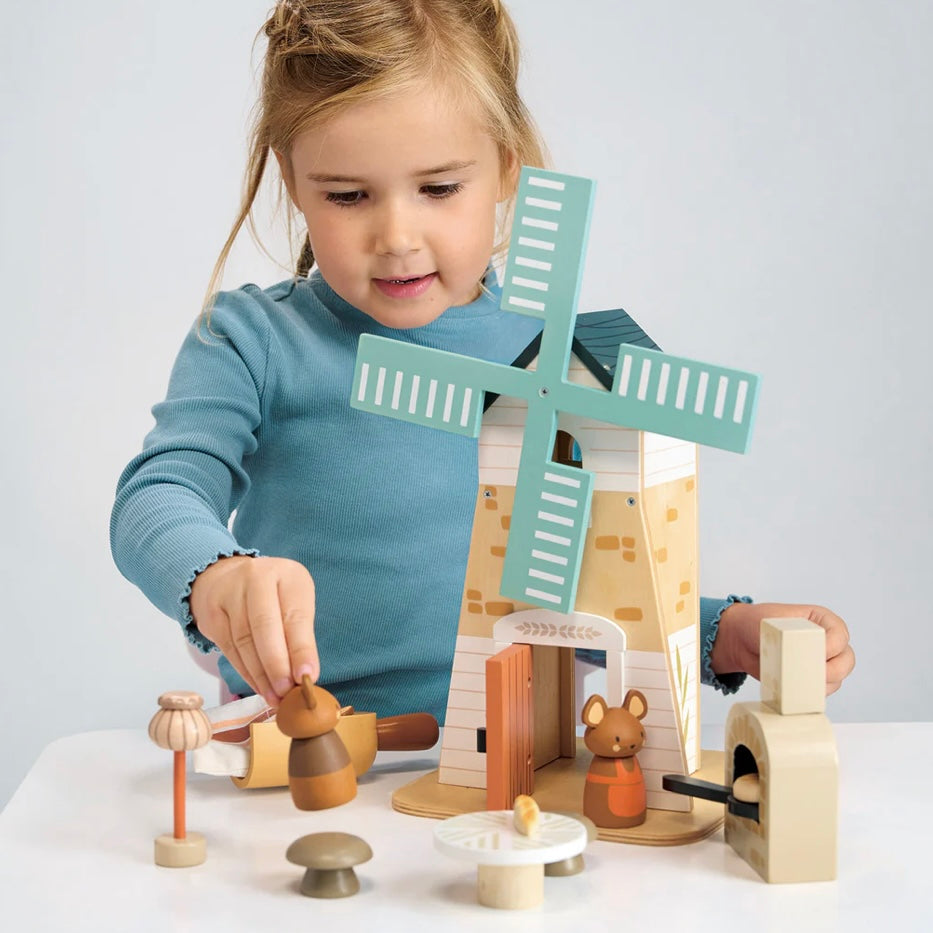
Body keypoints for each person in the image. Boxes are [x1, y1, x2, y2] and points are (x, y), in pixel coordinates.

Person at [110, 0, 854, 719]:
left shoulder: (552, 358)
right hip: (302, 752)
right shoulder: (249, 340)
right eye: (346, 194)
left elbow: (590, 582)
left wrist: (720, 633)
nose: (397, 235)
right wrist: (218, 575)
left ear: (504, 168)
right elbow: (159, 492)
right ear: (292, 180)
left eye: (438, 187)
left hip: (519, 758)